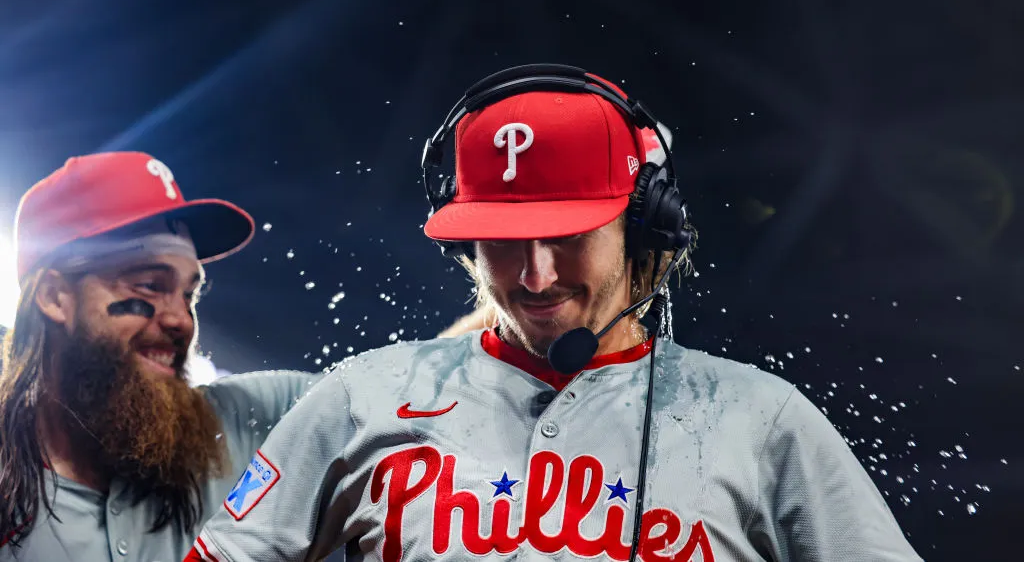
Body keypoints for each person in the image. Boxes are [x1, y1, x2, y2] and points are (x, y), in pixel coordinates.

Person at [184, 64, 923, 561]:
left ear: (643, 226)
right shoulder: (359, 395)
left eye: (569, 235)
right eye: (502, 241)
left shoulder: (760, 418)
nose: (535, 275)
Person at [0, 151, 322, 562]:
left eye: (188, 294)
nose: (181, 320)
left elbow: (396, 384)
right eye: (150, 285)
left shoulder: (238, 424)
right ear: (54, 297)